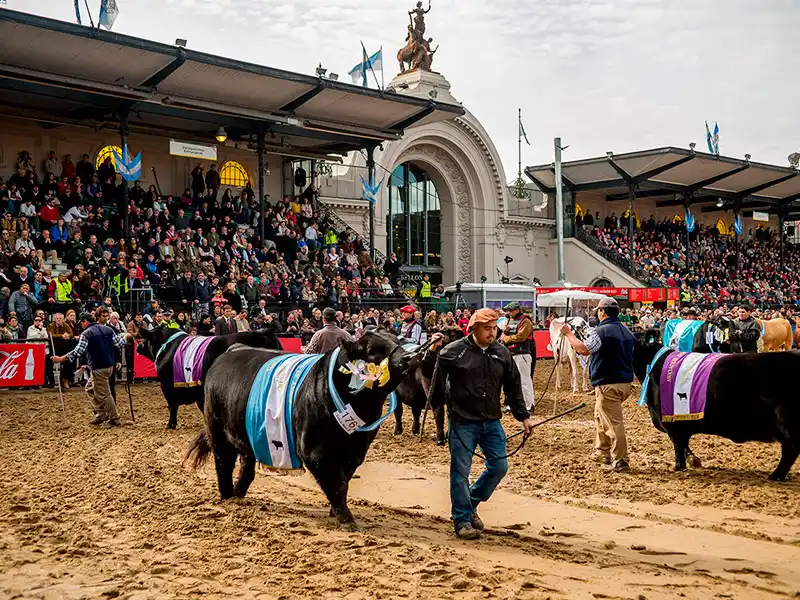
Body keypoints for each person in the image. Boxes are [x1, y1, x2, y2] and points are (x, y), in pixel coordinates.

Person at [428, 308, 533, 540]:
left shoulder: (501, 352)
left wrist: (523, 416)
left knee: (499, 467)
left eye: (494, 328)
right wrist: (432, 350)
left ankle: (470, 503)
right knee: (460, 472)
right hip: (462, 422)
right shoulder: (453, 352)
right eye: (487, 328)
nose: (492, 333)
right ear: (473, 329)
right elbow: (431, 375)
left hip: (491, 421)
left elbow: (513, 386)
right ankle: (462, 521)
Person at [560, 297, 635, 473]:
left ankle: (621, 460)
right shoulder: (626, 331)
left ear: (602, 312)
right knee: (600, 415)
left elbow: (583, 349)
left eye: (598, 311)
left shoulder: (600, 332)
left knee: (613, 423)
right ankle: (602, 451)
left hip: (607, 383)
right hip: (625, 382)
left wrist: (568, 334)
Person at [51, 307, 133, 427]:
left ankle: (114, 418)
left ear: (85, 321)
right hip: (109, 366)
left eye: (82, 323)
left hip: (98, 367)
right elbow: (119, 344)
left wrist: (60, 359)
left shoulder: (87, 333)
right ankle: (101, 413)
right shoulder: (109, 330)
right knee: (89, 388)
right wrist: (125, 337)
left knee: (104, 394)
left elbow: (77, 351)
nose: (81, 325)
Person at [499, 302, 535, 413]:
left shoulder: (526, 321)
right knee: (511, 381)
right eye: (508, 311)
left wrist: (505, 338)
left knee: (524, 381)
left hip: (522, 354)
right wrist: (505, 332)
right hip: (511, 353)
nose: (508, 312)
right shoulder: (510, 320)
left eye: (510, 310)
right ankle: (512, 404)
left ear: (517, 310)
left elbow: (521, 337)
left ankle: (529, 405)